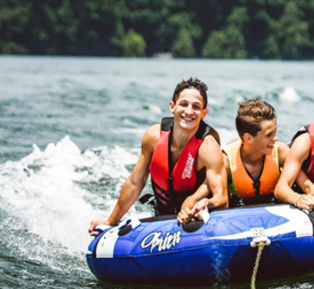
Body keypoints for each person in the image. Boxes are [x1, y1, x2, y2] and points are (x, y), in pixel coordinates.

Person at [88, 77, 227, 235]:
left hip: (197, 218)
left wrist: (204, 204)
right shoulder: (153, 137)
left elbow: (221, 198)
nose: (189, 111)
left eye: (196, 107)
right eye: (183, 104)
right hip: (162, 214)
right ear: (172, 107)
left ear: (204, 113)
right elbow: (135, 183)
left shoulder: (208, 147)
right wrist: (110, 222)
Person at [221, 99, 291, 206]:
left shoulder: (282, 153)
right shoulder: (225, 163)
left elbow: (305, 184)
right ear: (248, 138)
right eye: (269, 135)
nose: (275, 139)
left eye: (275, 133)